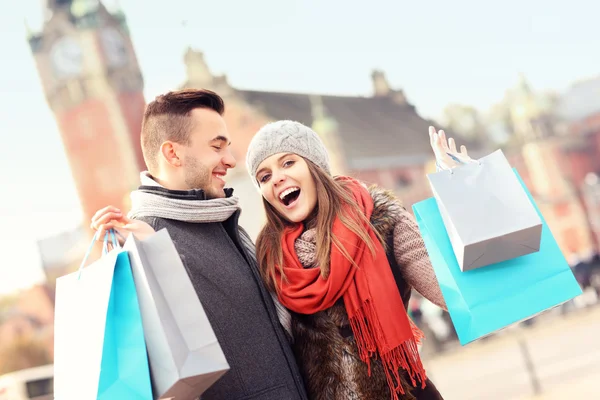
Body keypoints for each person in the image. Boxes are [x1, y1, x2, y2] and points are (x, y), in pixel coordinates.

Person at [91, 89, 308, 400]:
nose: (230, 160)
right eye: (216, 147)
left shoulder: (219, 219)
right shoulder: (141, 244)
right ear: (173, 154)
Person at [243, 121, 470, 400]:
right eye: (264, 177)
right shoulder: (269, 257)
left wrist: (460, 191)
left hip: (403, 393)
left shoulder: (380, 220)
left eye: (288, 162)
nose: (276, 178)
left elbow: (453, 290)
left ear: (315, 166)